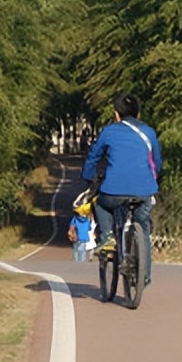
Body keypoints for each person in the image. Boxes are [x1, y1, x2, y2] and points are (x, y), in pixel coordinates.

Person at [81, 92, 163, 284]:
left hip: (114, 190)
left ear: (116, 114)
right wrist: (153, 179)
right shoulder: (149, 132)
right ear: (139, 114)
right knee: (143, 228)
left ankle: (107, 237)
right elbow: (157, 162)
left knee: (101, 204)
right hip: (144, 191)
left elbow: (93, 156)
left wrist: (88, 178)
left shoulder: (109, 132)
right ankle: (144, 276)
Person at [68, 197, 96, 263]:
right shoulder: (87, 220)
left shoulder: (75, 219)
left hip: (76, 236)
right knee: (83, 250)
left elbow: (71, 225)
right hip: (84, 236)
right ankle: (82, 261)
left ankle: (76, 261)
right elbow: (89, 228)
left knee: (76, 249)